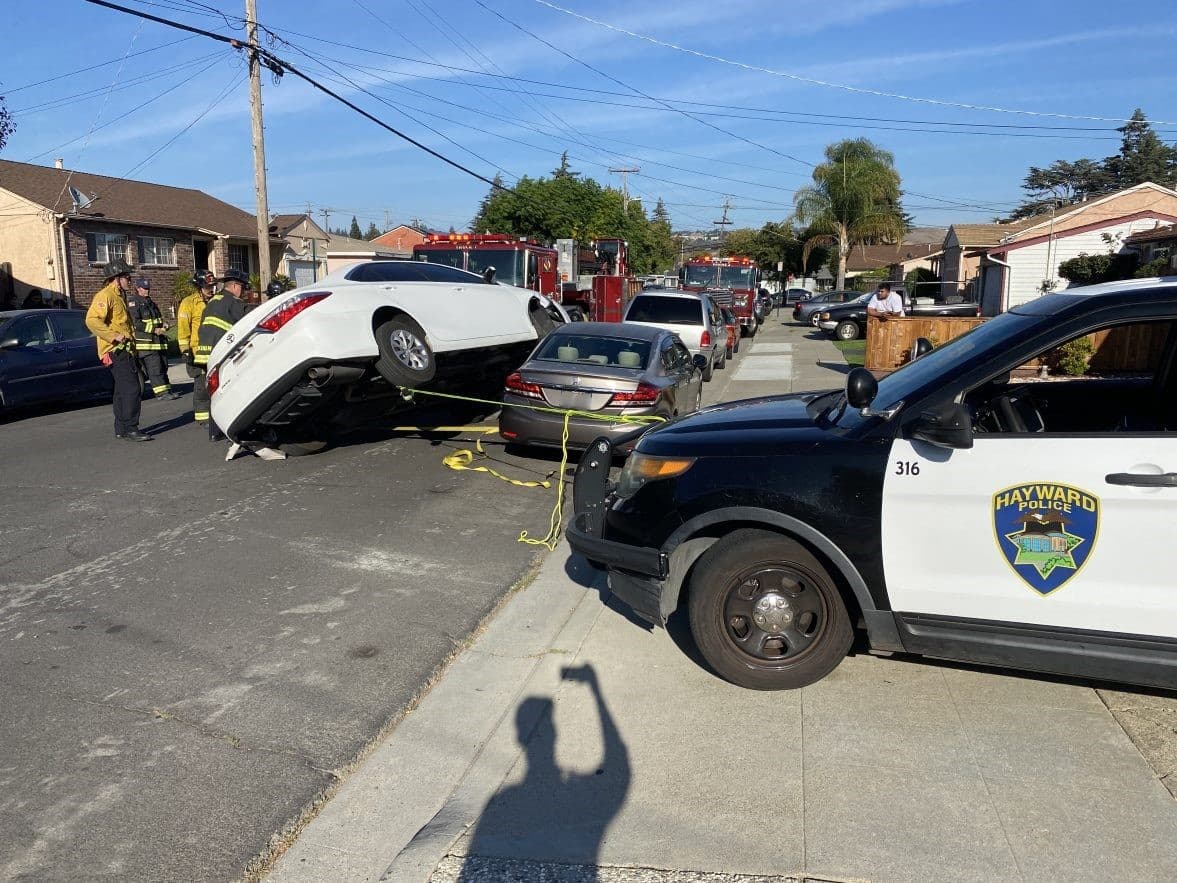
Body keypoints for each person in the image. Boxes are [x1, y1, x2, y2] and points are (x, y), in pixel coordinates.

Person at [84, 259, 152, 441]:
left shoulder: (119, 296)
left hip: (125, 350)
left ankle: (121, 428)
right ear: (116, 278)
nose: (130, 280)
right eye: (127, 277)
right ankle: (131, 428)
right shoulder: (105, 295)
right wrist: (114, 336)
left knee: (121, 390)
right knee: (132, 389)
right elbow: (92, 320)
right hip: (116, 350)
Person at [127, 277, 177, 400]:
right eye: (144, 288)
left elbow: (156, 320)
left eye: (148, 288)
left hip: (158, 342)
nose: (147, 291)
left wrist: (164, 325)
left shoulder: (150, 302)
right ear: (138, 289)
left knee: (163, 366)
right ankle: (161, 394)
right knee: (155, 369)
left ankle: (167, 390)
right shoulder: (134, 303)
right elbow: (136, 323)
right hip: (147, 344)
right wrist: (154, 330)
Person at [178, 270, 216, 424]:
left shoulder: (216, 301)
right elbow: (183, 329)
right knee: (202, 387)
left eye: (213, 286)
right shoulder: (189, 303)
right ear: (199, 287)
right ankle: (203, 418)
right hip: (197, 352)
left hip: (216, 350)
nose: (211, 289)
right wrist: (185, 350)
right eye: (208, 287)